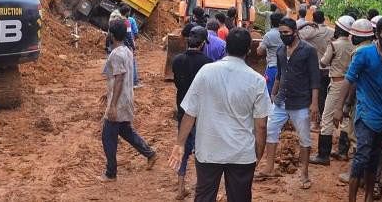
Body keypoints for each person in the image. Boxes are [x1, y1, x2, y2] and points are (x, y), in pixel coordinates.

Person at [168, 28, 271, 202]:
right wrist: (258, 154)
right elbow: (261, 125)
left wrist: (179, 144)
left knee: (204, 195)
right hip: (241, 153)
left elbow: (189, 113)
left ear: (226, 47)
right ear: (248, 50)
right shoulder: (257, 81)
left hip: (209, 149)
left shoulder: (206, 72)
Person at [333, 17, 382, 202]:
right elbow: (349, 80)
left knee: (375, 159)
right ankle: (352, 198)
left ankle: (369, 197)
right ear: (377, 35)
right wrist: (340, 107)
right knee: (362, 157)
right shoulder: (364, 54)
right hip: (366, 115)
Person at [258, 18, 320, 189]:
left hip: (300, 102)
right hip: (280, 100)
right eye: (281, 33)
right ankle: (269, 167)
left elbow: (315, 78)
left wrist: (314, 104)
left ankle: (305, 173)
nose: (283, 35)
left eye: (286, 33)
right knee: (271, 131)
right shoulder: (280, 51)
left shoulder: (308, 51)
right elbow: (279, 74)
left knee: (305, 138)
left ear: (295, 32)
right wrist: (273, 92)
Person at [99, 20, 157, 182]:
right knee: (125, 131)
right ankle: (150, 153)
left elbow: (119, 79)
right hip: (126, 98)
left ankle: (111, 173)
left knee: (107, 136)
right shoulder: (127, 50)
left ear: (111, 35)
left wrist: (112, 105)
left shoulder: (116, 54)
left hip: (119, 102)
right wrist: (107, 93)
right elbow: (119, 79)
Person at [171, 26, 212, 200]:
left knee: (182, 150)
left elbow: (177, 84)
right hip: (202, 115)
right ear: (202, 44)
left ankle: (181, 189)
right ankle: (201, 188)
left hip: (183, 111)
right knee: (202, 152)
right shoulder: (208, 64)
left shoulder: (177, 60)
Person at [310, 15, 355, 165]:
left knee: (327, 118)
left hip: (336, 83)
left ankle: (323, 155)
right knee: (345, 117)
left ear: (338, 29)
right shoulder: (353, 45)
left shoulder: (334, 45)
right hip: (350, 84)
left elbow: (323, 63)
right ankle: (342, 151)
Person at [337, 18, 376, 184]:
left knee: (357, 139)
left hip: (362, 101)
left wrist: (346, 104)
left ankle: (356, 175)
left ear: (356, 37)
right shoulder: (376, 49)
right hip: (376, 103)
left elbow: (352, 81)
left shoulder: (359, 53)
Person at [298, 10, 335, 132]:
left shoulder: (311, 31)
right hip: (329, 69)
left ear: (313, 19)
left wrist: (305, 24)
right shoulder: (331, 31)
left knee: (315, 96)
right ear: (324, 18)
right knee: (325, 97)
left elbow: (296, 32)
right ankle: (324, 122)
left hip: (315, 68)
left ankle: (315, 123)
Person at [257, 12, 284, 94]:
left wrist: (259, 45)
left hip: (273, 68)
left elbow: (259, 52)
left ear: (271, 22)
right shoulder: (286, 34)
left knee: (269, 93)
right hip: (286, 68)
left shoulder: (269, 35)